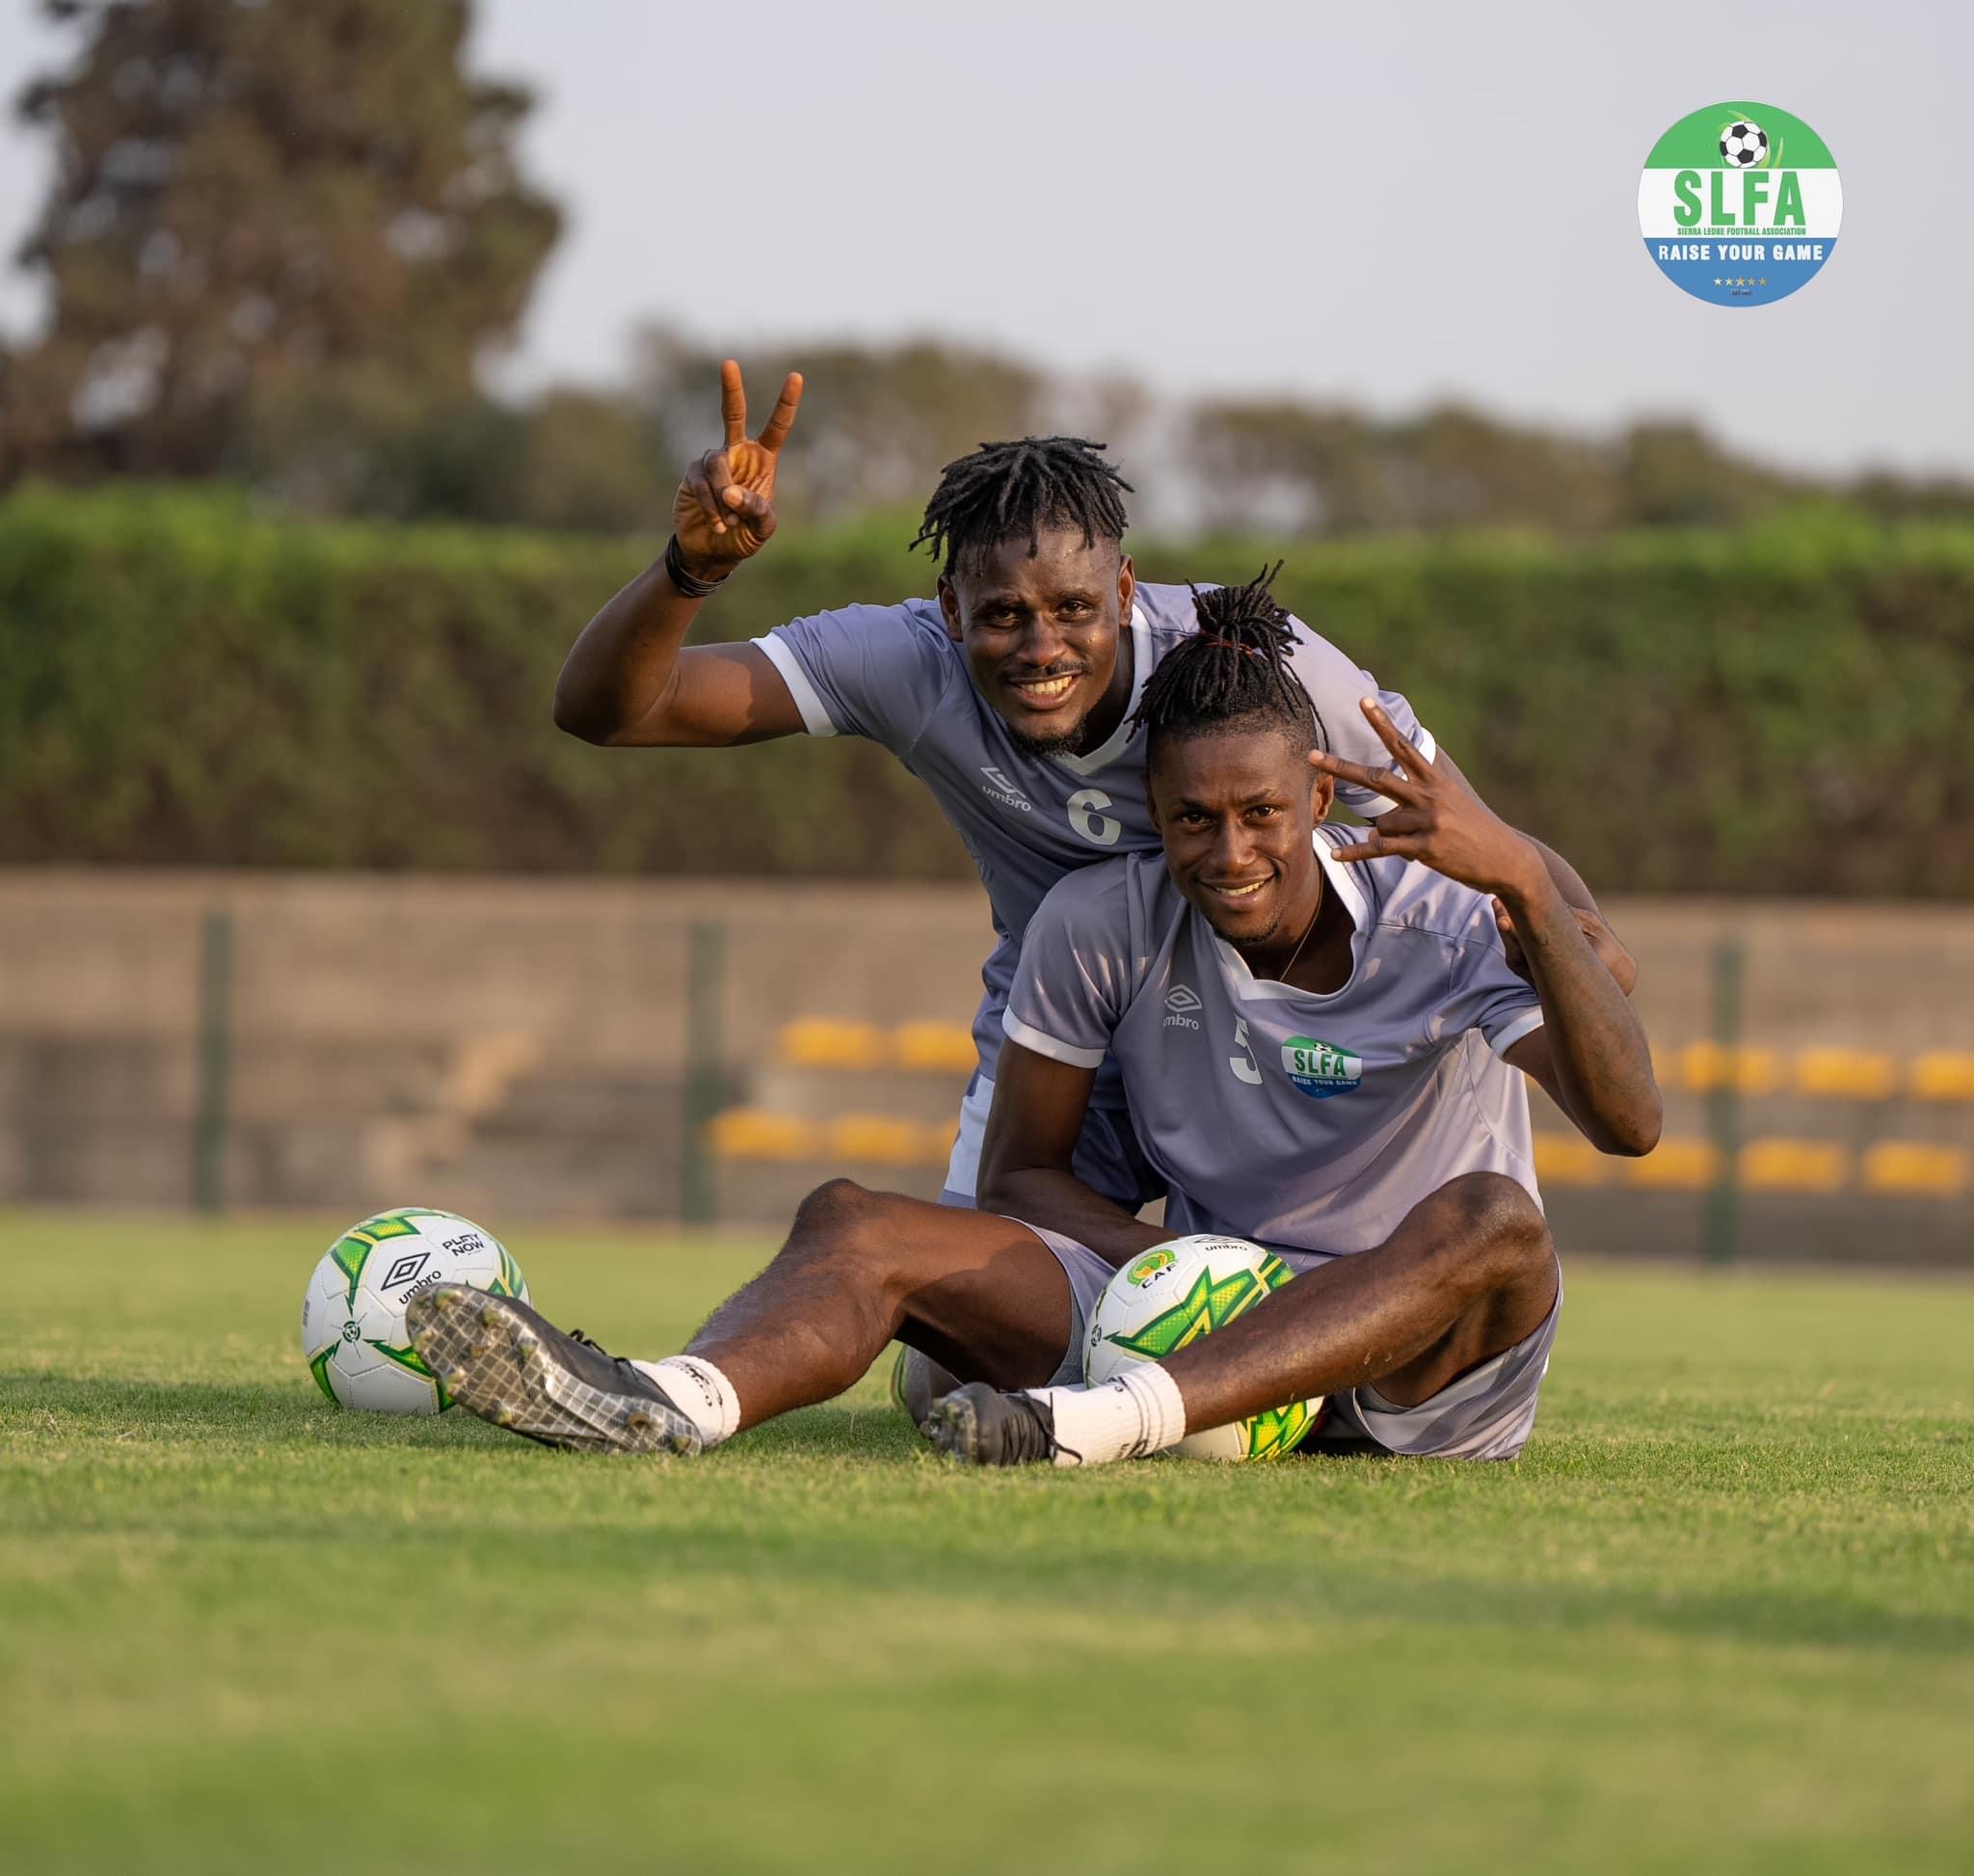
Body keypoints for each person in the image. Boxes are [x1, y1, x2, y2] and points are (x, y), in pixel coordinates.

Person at [409, 573, 1658, 1467]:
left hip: (1409, 1371)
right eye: (1191, 819)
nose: (1228, 852)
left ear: (1317, 797)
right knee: (854, 1219)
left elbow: (1630, 1122)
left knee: (1496, 1219)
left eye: (1261, 815)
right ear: (1149, 811)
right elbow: (1022, 1178)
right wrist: (1201, 1273)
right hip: (1209, 1322)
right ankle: (666, 1397)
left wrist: (1527, 881)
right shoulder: (1097, 920)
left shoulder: (1446, 914)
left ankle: (1089, 1426)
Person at [553, 363, 1632, 1221]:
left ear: (1122, 590)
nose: (1041, 647)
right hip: (1057, 1036)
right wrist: (690, 570)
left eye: (1073, 608)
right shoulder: (903, 661)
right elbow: (614, 711)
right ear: (949, 609)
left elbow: (1478, 837)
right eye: (1002, 615)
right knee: (958, 1362)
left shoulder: (1258, 666)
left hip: (1252, 1039)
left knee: (1299, 1323)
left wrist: (1581, 947)